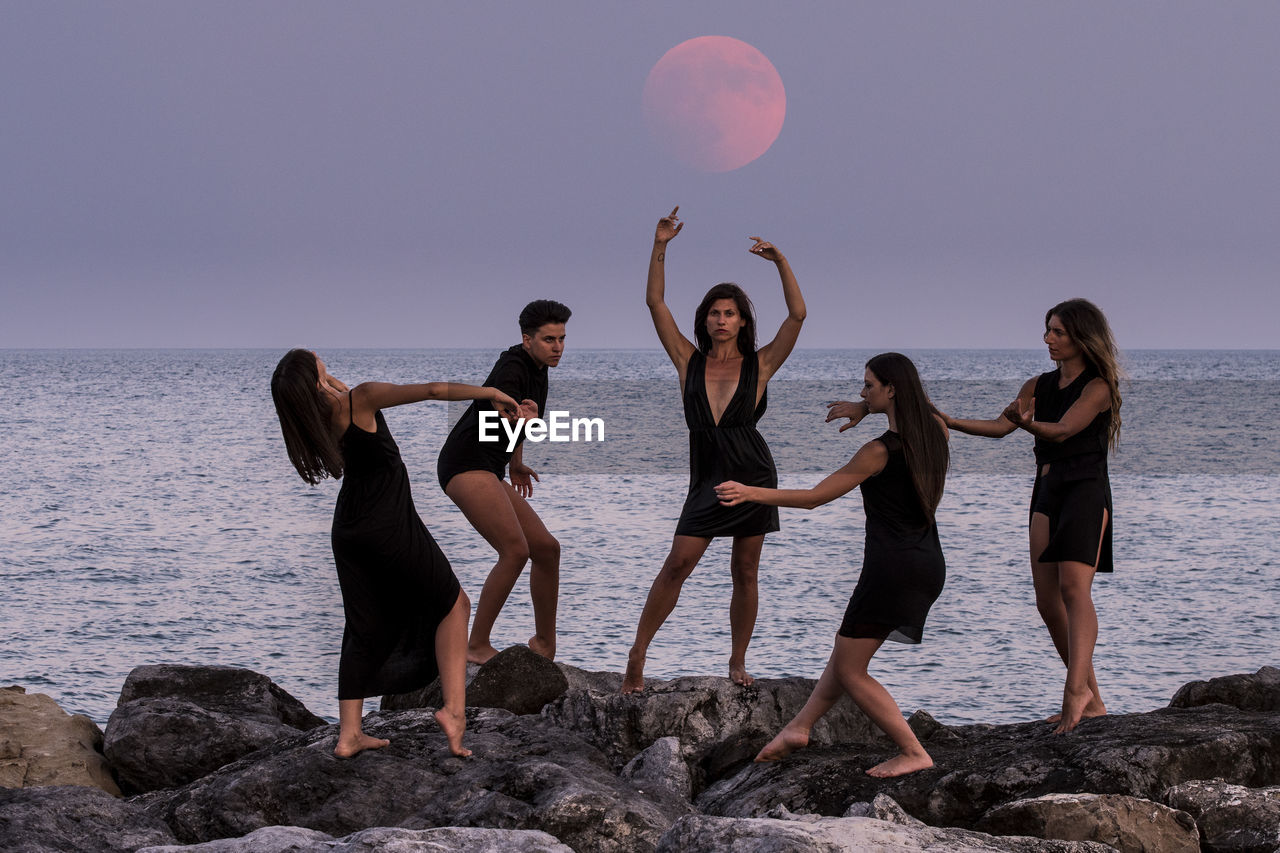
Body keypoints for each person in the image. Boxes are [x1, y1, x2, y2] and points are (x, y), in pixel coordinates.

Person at [271, 349, 519, 758]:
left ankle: (349, 733)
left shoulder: (314, 418)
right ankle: (454, 714)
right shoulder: (361, 398)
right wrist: (489, 390)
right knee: (454, 604)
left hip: (349, 528)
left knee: (363, 625)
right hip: (388, 524)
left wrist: (326, 384)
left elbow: (340, 402)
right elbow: (433, 390)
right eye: (314, 361)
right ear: (313, 379)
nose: (319, 356)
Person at [716, 353, 949, 777]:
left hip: (890, 568)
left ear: (892, 389)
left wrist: (752, 493)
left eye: (868, 386)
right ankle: (799, 727)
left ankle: (912, 751)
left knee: (850, 667)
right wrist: (869, 407)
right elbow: (920, 409)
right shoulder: (936, 432)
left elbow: (814, 496)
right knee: (846, 650)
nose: (861, 393)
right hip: (928, 563)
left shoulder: (877, 452)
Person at [622, 206, 806, 693]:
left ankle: (737, 661)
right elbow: (655, 304)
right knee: (678, 563)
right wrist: (660, 244)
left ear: (743, 321)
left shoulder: (761, 364)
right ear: (704, 320)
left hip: (753, 476)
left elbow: (797, 315)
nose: (721, 319)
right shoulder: (688, 360)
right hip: (706, 477)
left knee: (745, 570)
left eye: (730, 313)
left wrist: (780, 261)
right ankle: (637, 655)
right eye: (714, 312)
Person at [934, 298, 1122, 733]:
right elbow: (1002, 427)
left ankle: (1076, 691)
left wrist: (1027, 424)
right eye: (1047, 330)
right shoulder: (1037, 383)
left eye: (1058, 332)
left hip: (1085, 490)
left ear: (1080, 336)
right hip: (1047, 487)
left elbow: (1063, 430)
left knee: (1075, 589)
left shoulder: (1098, 388)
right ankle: (1091, 699)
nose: (1048, 339)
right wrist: (949, 420)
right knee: (1046, 600)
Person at [436, 299, 571, 664]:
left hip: (490, 466)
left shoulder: (539, 368)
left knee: (547, 549)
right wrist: (513, 415)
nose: (557, 347)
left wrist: (516, 463)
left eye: (561, 339)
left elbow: (521, 417)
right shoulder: (513, 365)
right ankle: (476, 645)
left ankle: (544, 645)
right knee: (515, 550)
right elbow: (507, 406)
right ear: (527, 340)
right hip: (465, 462)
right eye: (548, 340)